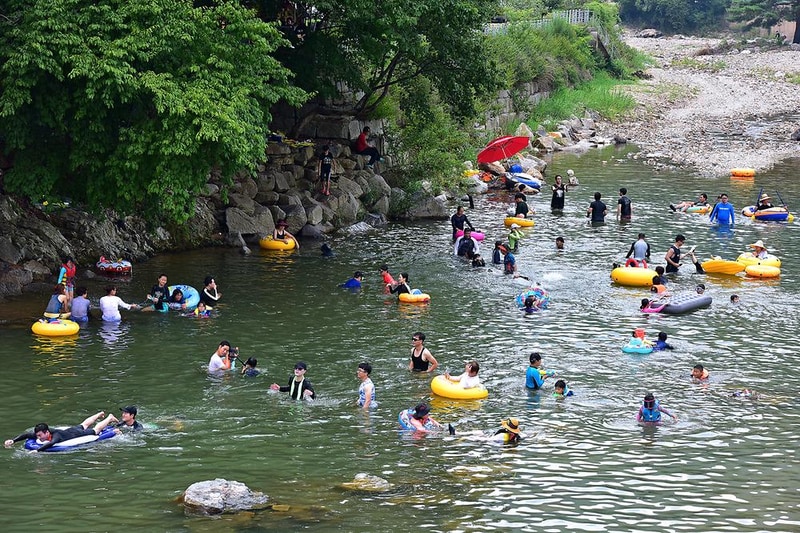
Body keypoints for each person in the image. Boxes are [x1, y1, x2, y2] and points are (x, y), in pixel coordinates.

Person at [4, 411, 118, 452]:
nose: (38, 438)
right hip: (70, 431)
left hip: (76, 434)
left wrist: (37, 451)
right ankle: (99, 414)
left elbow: (51, 443)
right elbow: (27, 435)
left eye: (40, 435)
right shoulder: (42, 432)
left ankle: (109, 417)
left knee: (96, 430)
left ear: (46, 432)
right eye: (37, 436)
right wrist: (13, 441)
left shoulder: (56, 436)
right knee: (84, 424)